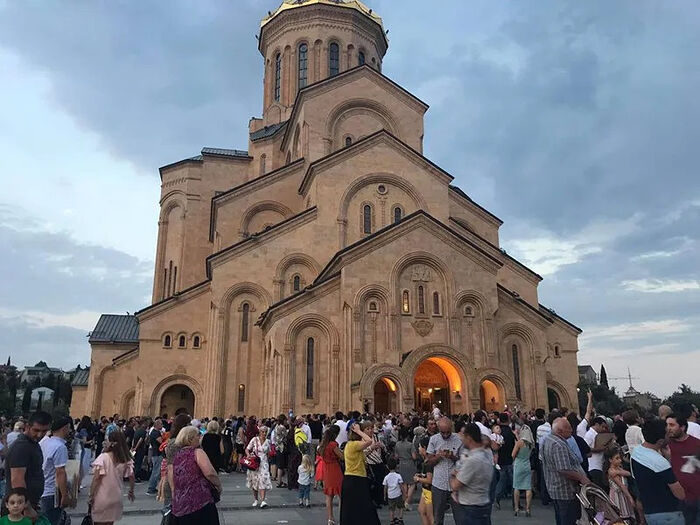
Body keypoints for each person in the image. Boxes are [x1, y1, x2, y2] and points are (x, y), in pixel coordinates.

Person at [631, 418, 685, 525]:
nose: (670, 435)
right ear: (660, 441)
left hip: (650, 513)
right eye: (667, 433)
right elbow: (680, 494)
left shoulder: (636, 453)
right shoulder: (660, 463)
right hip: (669, 515)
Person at [540, 418, 590, 525]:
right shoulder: (558, 445)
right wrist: (581, 478)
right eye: (568, 428)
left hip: (555, 488)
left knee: (561, 518)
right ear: (559, 431)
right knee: (567, 519)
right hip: (565, 490)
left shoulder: (548, 440)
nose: (571, 430)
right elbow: (564, 469)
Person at [170, 426, 222, 524]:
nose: (200, 437)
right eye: (198, 435)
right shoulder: (197, 452)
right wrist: (218, 485)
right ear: (190, 438)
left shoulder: (178, 455)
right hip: (200, 501)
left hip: (181, 503)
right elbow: (210, 473)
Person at [6, 411, 51, 514]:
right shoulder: (22, 446)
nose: (39, 434)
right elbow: (17, 481)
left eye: (44, 431)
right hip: (19, 509)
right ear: (27, 427)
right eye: (36, 430)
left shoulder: (32, 444)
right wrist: (27, 508)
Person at [450, 423, 493, 525]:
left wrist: (453, 475)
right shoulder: (486, 453)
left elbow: (455, 485)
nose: (462, 439)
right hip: (483, 502)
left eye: (463, 437)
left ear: (469, 437)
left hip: (471, 507)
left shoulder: (472, 460)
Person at [88, 430, 135, 525]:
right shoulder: (125, 459)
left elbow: (97, 479)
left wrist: (91, 495)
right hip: (116, 497)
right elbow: (131, 476)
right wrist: (131, 491)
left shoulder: (103, 458)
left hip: (102, 497)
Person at [340, 422, 380, 525]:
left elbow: (363, 454)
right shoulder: (354, 445)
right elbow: (369, 441)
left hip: (353, 479)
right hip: (356, 479)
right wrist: (358, 430)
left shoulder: (352, 446)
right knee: (364, 506)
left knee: (355, 507)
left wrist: (371, 449)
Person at [425, 417, 463, 525]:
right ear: (438, 429)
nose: (445, 435)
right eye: (443, 432)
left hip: (455, 483)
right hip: (439, 483)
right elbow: (428, 462)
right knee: (437, 518)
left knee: (460, 517)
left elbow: (465, 461)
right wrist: (438, 456)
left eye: (448, 432)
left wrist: (452, 457)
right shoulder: (434, 440)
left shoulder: (459, 439)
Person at [666, 413, 700, 525]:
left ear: (682, 427)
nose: (668, 428)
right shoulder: (666, 446)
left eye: (672, 425)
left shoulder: (697, 444)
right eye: (667, 425)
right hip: (680, 499)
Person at [39, 416, 71, 524]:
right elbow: (60, 472)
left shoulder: (44, 442)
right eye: (69, 428)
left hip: (41, 488)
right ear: (64, 429)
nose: (70, 431)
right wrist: (65, 495)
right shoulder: (60, 447)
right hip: (52, 491)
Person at [319, 425, 343, 524]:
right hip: (335, 469)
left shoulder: (323, 445)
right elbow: (342, 457)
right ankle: (342, 516)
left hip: (327, 470)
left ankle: (330, 518)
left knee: (329, 496)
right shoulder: (333, 445)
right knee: (341, 494)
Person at [603, 447, 635, 521]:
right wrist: (630, 497)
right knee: (622, 516)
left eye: (620, 458)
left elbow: (629, 473)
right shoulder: (611, 471)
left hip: (623, 495)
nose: (620, 460)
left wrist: (618, 472)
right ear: (610, 460)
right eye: (617, 458)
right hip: (618, 496)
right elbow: (621, 485)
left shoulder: (617, 469)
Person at [246, 426, 272, 508]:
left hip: (264, 463)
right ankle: (256, 499)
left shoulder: (268, 441)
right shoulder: (254, 440)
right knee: (254, 481)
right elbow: (247, 449)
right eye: (263, 432)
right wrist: (248, 455)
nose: (264, 433)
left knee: (263, 480)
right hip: (255, 463)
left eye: (265, 432)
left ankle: (263, 500)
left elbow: (269, 453)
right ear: (259, 432)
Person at [512, 424, 534, 516]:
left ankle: (516, 508)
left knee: (517, 486)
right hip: (527, 464)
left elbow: (513, 454)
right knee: (528, 487)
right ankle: (528, 509)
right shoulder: (531, 443)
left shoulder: (519, 443)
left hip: (518, 464)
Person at [495, 413, 515, 509]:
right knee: (513, 482)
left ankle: (497, 498)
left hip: (500, 459)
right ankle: (516, 502)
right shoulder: (510, 432)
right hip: (509, 459)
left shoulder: (498, 431)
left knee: (502, 480)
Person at [583, 416, 610, 487]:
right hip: (593, 466)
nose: (603, 429)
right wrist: (599, 449)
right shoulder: (589, 434)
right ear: (597, 424)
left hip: (599, 464)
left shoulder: (597, 434)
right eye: (602, 426)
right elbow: (586, 449)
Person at [395, 427, 416, 510]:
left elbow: (396, 456)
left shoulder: (397, 444)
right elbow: (414, 457)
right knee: (412, 483)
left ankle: (404, 500)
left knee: (404, 483)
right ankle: (407, 501)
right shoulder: (410, 445)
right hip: (410, 464)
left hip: (401, 464)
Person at [414, 436, 434, 525]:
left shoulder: (429, 463)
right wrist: (421, 476)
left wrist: (418, 479)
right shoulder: (425, 462)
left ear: (425, 448)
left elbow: (430, 480)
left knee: (430, 515)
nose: (418, 449)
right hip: (425, 491)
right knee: (422, 510)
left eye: (420, 446)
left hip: (429, 491)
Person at [383, 457, 405, 525]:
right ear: (396, 466)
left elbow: (385, 487)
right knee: (400, 507)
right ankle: (400, 519)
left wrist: (384, 495)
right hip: (398, 494)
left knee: (391, 509)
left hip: (390, 495)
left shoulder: (386, 477)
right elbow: (401, 486)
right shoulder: (398, 476)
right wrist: (404, 493)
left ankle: (392, 521)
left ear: (387, 467)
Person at [146, 419, 164, 495]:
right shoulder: (155, 433)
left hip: (155, 453)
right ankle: (151, 488)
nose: (162, 426)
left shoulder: (154, 432)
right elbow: (161, 442)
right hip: (157, 454)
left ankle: (155, 487)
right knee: (156, 471)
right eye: (161, 424)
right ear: (157, 425)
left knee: (157, 471)